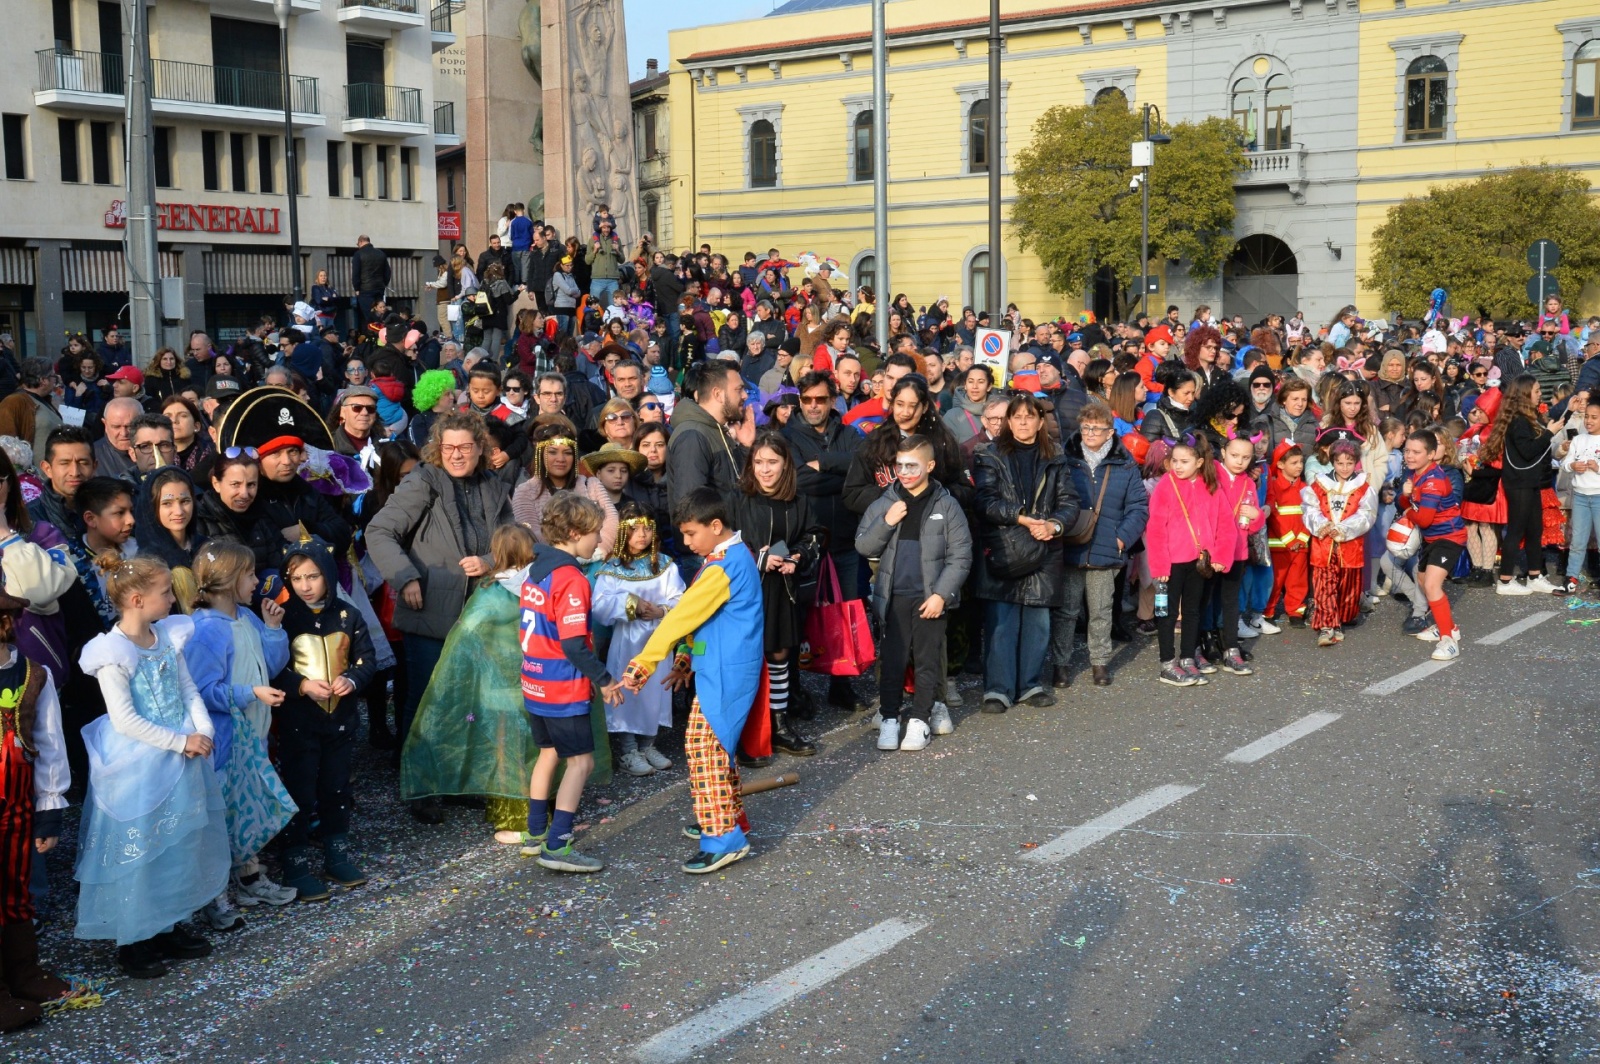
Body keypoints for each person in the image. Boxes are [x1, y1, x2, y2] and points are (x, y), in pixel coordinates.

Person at [74, 554, 228, 978]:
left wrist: (203, 730)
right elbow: (124, 719)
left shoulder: (167, 637)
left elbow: (186, 687)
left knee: (178, 844)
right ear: (138, 600)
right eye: (165, 594)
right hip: (140, 761)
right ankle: (136, 939)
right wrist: (181, 741)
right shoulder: (113, 653)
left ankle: (168, 922)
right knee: (141, 849)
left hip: (182, 753)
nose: (173, 601)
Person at [366, 412, 515, 817]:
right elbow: (379, 531)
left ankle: (456, 780)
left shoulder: (493, 485)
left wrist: (489, 559)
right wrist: (405, 578)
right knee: (425, 701)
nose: (456, 454)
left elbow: (514, 541)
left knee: (469, 700)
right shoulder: (423, 481)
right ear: (438, 447)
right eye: (448, 447)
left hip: (480, 612)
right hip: (429, 608)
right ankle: (419, 786)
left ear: (480, 447)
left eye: (465, 446)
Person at [621, 488, 767, 875]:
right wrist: (686, 658)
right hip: (722, 666)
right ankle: (726, 819)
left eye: (690, 534)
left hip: (726, 670)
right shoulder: (729, 556)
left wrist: (644, 662)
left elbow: (682, 615)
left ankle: (723, 837)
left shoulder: (723, 565)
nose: (685, 542)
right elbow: (707, 618)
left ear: (715, 526)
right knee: (715, 748)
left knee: (705, 748)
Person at [400, 523, 545, 844]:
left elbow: (467, 632)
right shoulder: (539, 585)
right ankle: (531, 805)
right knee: (530, 745)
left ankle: (513, 811)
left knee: (505, 749)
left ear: (497, 553)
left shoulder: (492, 589)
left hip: (497, 688)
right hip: (532, 680)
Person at [185, 542, 297, 924]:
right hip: (227, 741)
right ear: (230, 580)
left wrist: (272, 628)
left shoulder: (247, 618)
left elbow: (270, 664)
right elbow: (202, 691)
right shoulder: (205, 632)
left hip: (254, 735)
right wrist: (249, 693)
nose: (256, 581)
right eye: (249, 574)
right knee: (220, 817)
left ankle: (249, 878)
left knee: (246, 810)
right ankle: (215, 895)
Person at [518, 493, 619, 874]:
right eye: (595, 533)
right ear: (575, 533)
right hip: (562, 686)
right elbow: (574, 644)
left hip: (535, 682)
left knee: (548, 753)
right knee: (581, 761)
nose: (598, 541)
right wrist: (605, 680)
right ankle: (557, 845)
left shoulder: (536, 568)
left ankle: (533, 835)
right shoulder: (571, 578)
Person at [855, 435, 971, 751]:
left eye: (912, 465)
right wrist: (886, 522)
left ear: (930, 466)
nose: (904, 472)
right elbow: (864, 545)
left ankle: (920, 719)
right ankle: (890, 717)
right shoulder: (884, 503)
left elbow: (961, 556)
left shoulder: (947, 506)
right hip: (893, 598)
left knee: (927, 660)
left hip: (930, 598)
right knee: (892, 661)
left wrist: (941, 595)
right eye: (900, 465)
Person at [972, 393, 1080, 713]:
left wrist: (1054, 526)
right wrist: (1019, 517)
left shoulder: (1056, 456)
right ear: (1007, 421)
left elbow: (1069, 503)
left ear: (1039, 421)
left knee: (1037, 621)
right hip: (1004, 543)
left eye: (1029, 416)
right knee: (1001, 622)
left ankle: (1030, 684)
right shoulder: (988, 454)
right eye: (1016, 417)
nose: (1022, 422)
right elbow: (984, 501)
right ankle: (998, 688)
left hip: (1045, 547)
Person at [0, 590, 71, 1027]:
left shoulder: (32, 675)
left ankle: (22, 972)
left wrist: (49, 808)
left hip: (16, 801)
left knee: (14, 888)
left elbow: (48, 744)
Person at [728, 433, 820, 760]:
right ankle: (745, 734)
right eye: (758, 462)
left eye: (772, 462)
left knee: (780, 656)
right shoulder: (738, 498)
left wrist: (798, 556)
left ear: (785, 465)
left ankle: (779, 726)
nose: (765, 470)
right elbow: (720, 545)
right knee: (750, 661)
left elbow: (812, 537)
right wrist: (756, 559)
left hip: (782, 590)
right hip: (743, 593)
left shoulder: (798, 499)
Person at [1054, 402, 1148, 688]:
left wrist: (1121, 538)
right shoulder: (1064, 459)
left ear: (1110, 432)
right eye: (1085, 427)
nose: (1090, 432)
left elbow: (1138, 507)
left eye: (1097, 428)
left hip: (1107, 547)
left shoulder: (1126, 463)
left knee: (1101, 610)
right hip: (1071, 545)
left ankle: (1100, 662)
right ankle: (1061, 664)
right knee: (1066, 612)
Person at [593, 504, 685, 777]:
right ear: (623, 532)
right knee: (631, 692)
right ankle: (628, 749)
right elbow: (600, 604)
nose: (641, 535)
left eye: (647, 528)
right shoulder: (613, 568)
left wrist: (662, 610)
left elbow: (680, 597)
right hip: (627, 642)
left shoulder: (665, 565)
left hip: (658, 638)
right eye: (634, 529)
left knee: (654, 691)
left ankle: (648, 745)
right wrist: (631, 606)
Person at [1146, 437, 1219, 686]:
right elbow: (1155, 528)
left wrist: (1211, 552)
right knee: (1166, 614)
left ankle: (1188, 657)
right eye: (1174, 461)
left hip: (1196, 560)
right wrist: (1159, 566)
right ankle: (1167, 663)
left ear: (1199, 462)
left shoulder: (1204, 484)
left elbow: (1210, 522)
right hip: (1170, 563)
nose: (1177, 466)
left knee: (1192, 611)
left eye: (1184, 461)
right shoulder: (1165, 486)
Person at [1480, 375, 1560, 595]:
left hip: (1530, 481)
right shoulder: (1518, 420)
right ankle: (1505, 580)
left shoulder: (1528, 417)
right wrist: (1549, 434)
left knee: (1535, 529)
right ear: (1525, 394)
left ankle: (1535, 575)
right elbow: (1528, 451)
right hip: (1519, 482)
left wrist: (1562, 417)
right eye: (1536, 391)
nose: (1539, 395)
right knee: (1517, 529)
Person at [1397, 429, 1468, 660]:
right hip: (1431, 538)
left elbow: (1424, 518)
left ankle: (1448, 641)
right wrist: (1406, 498)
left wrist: (1407, 508)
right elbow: (1403, 501)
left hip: (1450, 537)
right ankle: (1449, 626)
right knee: (1422, 579)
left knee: (1431, 585)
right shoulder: (1415, 473)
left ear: (1430, 454)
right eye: (1407, 450)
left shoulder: (1433, 481)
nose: (1410, 455)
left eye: (1416, 452)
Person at [1303, 434, 1378, 647]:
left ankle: (1340, 620)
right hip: (1324, 544)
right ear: (1332, 462)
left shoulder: (1364, 487)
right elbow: (1309, 508)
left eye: (1349, 463)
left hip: (1350, 546)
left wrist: (1344, 529)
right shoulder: (1320, 484)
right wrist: (1321, 525)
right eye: (1340, 463)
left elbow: (1367, 514)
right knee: (1324, 585)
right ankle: (1326, 625)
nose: (1344, 468)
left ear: (1356, 463)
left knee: (1348, 588)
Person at [1202, 436, 1265, 675]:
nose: (1239, 461)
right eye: (1235, 455)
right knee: (1207, 598)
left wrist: (1256, 515)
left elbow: (1253, 523)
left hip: (1237, 549)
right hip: (1212, 548)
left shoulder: (1248, 482)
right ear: (1223, 452)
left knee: (1230, 598)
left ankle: (1229, 644)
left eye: (1246, 457)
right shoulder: (1212, 475)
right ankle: (1207, 638)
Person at [513, 423, 618, 554]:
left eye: (567, 453)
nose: (561, 459)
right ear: (541, 454)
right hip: (550, 564)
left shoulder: (591, 484)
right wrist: (567, 555)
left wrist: (599, 552)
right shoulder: (525, 491)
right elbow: (529, 533)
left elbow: (612, 520)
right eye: (552, 452)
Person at [1265, 441, 1311, 627]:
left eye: (1301, 462)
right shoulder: (1274, 487)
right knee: (1275, 580)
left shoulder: (1306, 488)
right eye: (1294, 462)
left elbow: (1311, 514)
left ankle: (1296, 611)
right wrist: (1289, 539)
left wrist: (1301, 538)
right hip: (1279, 545)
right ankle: (1267, 611)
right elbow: (1274, 515)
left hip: (1300, 544)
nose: (1299, 466)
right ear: (1280, 465)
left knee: (1298, 580)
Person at [1558, 395, 1600, 594]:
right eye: (1587, 417)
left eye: (1594, 417)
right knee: (1577, 541)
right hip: (1581, 497)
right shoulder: (1579, 439)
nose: (1589, 421)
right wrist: (1573, 465)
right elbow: (1565, 464)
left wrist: (1597, 467)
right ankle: (1571, 577)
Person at [0, 359, 62, 461]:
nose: (56, 379)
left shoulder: (43, 399)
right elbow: (5, 444)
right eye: (53, 376)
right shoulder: (14, 401)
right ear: (43, 380)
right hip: (35, 473)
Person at [352, 235, 390, 326]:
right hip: (379, 288)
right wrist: (384, 284)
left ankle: (373, 335)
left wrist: (357, 288)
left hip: (365, 289)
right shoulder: (381, 253)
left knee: (369, 317)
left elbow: (356, 273)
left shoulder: (358, 254)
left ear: (361, 242)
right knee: (380, 313)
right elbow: (388, 272)